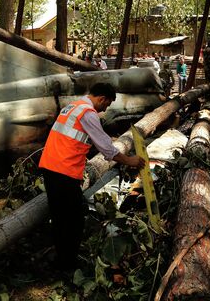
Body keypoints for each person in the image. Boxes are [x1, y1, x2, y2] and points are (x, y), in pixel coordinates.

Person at [39, 83, 145, 270]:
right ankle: (67, 265)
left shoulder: (73, 107)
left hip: (50, 166)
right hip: (64, 171)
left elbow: (82, 137)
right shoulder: (88, 113)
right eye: (107, 104)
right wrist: (129, 161)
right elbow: (105, 148)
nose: (106, 109)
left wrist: (106, 141)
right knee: (74, 219)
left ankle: (60, 259)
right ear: (102, 98)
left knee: (59, 217)